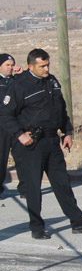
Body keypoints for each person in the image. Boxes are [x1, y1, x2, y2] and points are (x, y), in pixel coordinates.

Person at [0, 49, 82, 239]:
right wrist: (20, 135)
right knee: (33, 187)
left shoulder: (52, 81)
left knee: (62, 183)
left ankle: (78, 221)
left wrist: (67, 131)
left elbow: (61, 109)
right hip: (31, 144)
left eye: (48, 64)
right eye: (42, 66)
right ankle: (37, 227)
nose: (46, 69)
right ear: (31, 66)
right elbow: (5, 115)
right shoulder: (19, 85)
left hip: (51, 140)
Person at [0, 53, 23, 198]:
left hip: (16, 124)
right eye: (7, 65)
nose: (11, 68)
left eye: (12, 65)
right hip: (2, 126)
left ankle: (25, 188)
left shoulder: (17, 80)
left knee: (21, 157)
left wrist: (22, 75)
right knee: (1, 157)